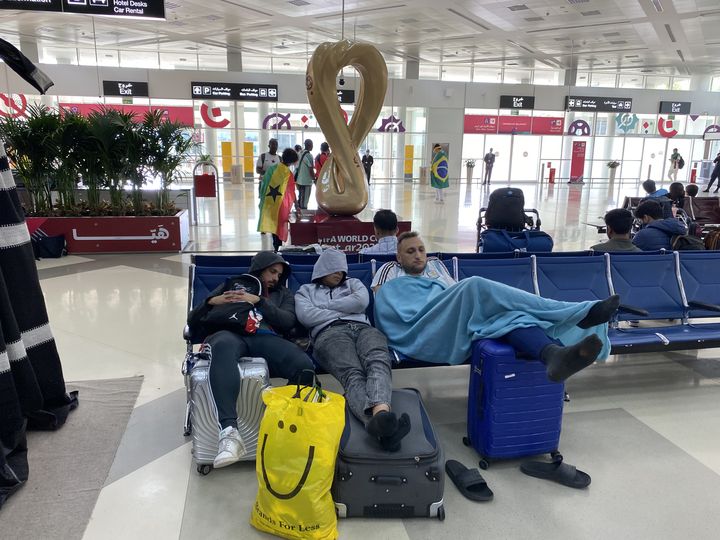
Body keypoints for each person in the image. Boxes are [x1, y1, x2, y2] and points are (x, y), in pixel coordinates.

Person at [372, 232, 619, 382]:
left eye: (421, 250)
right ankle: (578, 312)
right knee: (474, 285)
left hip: (452, 322)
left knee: (513, 317)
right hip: (421, 329)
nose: (418, 255)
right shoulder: (388, 271)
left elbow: (452, 296)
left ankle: (553, 355)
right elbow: (385, 305)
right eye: (410, 251)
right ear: (399, 257)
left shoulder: (436, 268)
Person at [187, 251, 314, 468]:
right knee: (224, 347)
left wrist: (259, 302)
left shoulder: (283, 294)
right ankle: (229, 433)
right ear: (259, 268)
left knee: (304, 366)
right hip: (228, 334)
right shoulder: (234, 285)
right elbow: (193, 319)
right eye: (271, 271)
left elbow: (288, 321)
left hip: (263, 337)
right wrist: (211, 302)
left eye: (279, 274)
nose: (275, 277)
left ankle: (281, 425)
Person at [294, 249, 410, 451]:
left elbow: (361, 302)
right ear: (321, 269)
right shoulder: (305, 290)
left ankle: (380, 419)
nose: (339, 272)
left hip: (364, 329)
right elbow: (307, 317)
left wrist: (325, 307)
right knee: (353, 374)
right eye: (333, 268)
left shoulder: (354, 283)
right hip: (329, 334)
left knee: (378, 361)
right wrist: (345, 308)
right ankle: (382, 421)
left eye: (341, 269)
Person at [258, 148, 298, 252]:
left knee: (273, 227)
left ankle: (276, 247)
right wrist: (297, 206)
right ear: (291, 162)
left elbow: (263, 185)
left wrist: (263, 200)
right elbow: (291, 193)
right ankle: (277, 249)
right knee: (279, 226)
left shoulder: (272, 169)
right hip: (280, 206)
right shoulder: (288, 174)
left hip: (269, 203)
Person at [295, 139, 316, 210]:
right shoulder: (309, 155)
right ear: (309, 145)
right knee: (304, 202)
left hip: (299, 180)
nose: (313, 146)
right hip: (306, 181)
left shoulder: (300, 153)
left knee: (301, 198)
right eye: (312, 144)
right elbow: (311, 169)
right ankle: (302, 215)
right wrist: (314, 179)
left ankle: (299, 214)